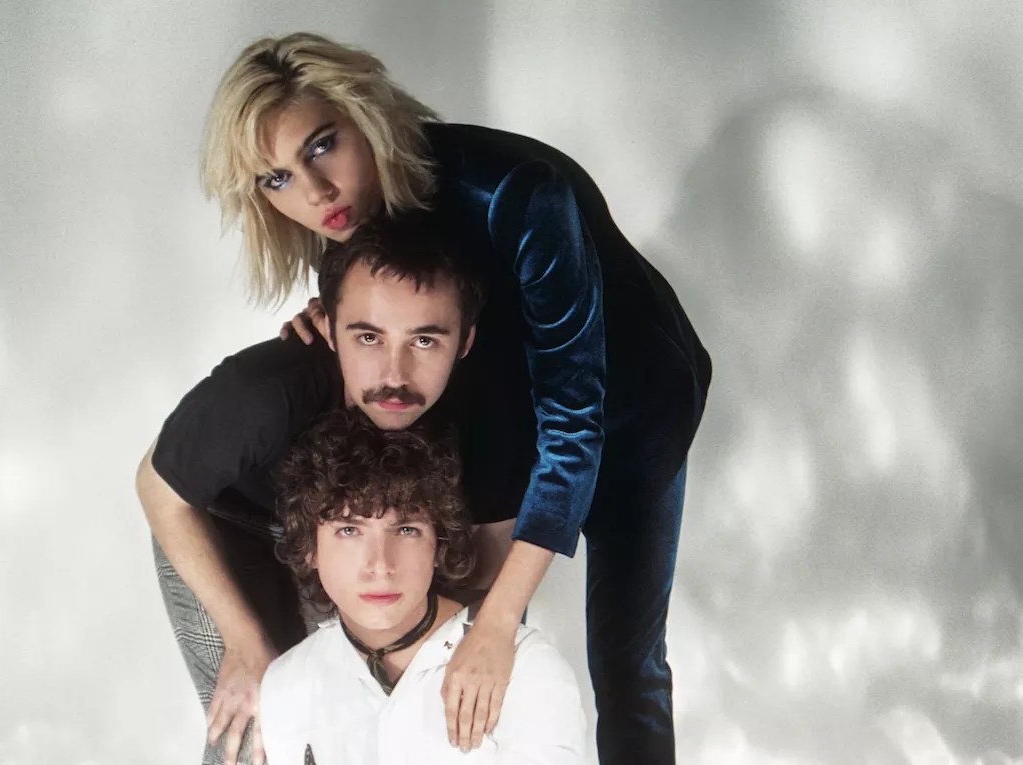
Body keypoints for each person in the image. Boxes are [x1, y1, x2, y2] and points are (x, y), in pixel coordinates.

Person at [137, 33, 712, 765]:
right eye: (277, 179)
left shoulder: (517, 193)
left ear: (364, 114)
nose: (315, 194)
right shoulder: (349, 232)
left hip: (630, 416)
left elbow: (573, 423)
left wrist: (496, 625)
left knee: (623, 663)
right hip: (474, 437)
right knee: (349, 702)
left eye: (322, 146)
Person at [141, 217, 508, 765]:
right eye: (368, 337)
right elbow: (159, 489)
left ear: (465, 341)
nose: (395, 374)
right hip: (227, 528)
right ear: (329, 329)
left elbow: (489, 567)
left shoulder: (494, 411)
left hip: (365, 538)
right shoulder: (261, 392)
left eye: (425, 340)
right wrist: (244, 642)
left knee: (380, 716)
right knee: (255, 730)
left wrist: (460, 653)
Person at [261, 407, 587, 764]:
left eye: (406, 530)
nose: (380, 565)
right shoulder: (286, 684)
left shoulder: (527, 670)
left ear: (439, 545)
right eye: (349, 530)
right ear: (310, 549)